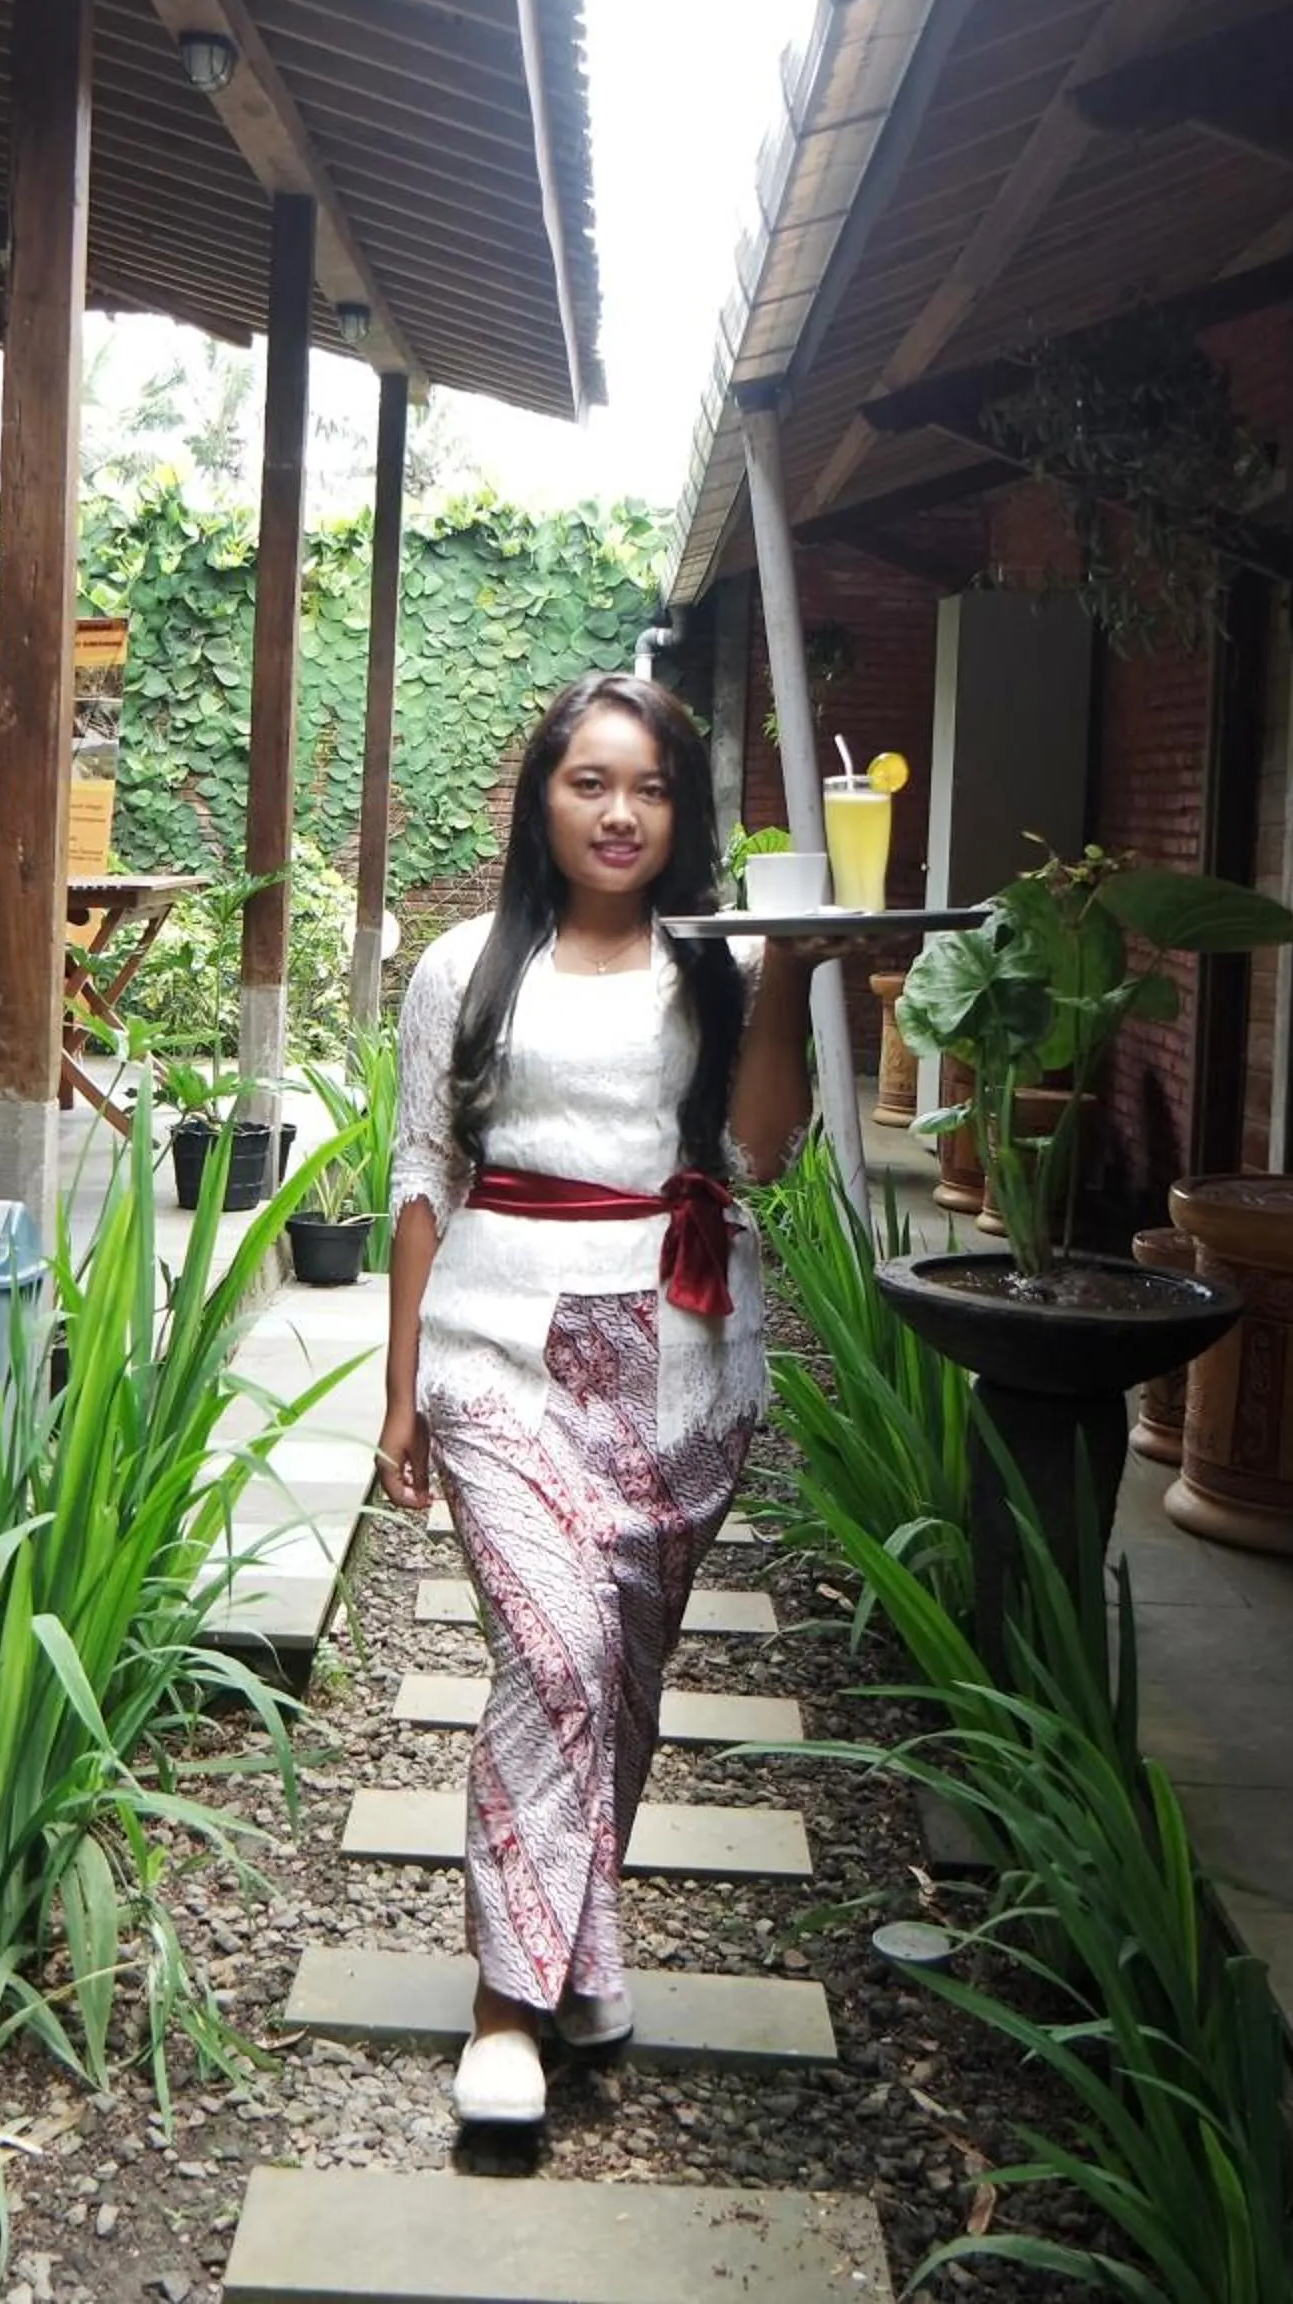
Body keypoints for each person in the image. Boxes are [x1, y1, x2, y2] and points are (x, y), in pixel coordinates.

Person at [379, 671, 824, 2128]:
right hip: (498, 1346)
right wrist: (400, 1390)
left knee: (623, 1675)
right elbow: (423, 1173)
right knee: (558, 1657)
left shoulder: (720, 968)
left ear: (683, 813)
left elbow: (759, 1155)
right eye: (590, 782)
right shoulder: (463, 967)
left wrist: (795, 975)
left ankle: (577, 1948)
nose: (620, 813)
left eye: (651, 787)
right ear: (542, 800)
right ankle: (504, 2007)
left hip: (680, 1354)